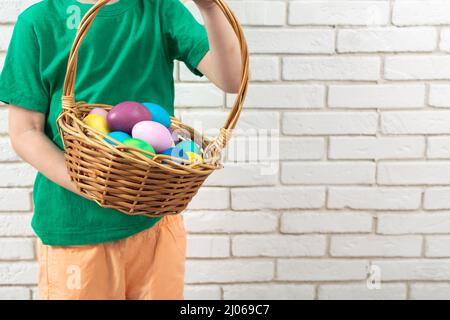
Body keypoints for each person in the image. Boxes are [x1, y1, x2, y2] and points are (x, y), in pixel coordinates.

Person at [0, 0, 241, 300]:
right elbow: (25, 132)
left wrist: (210, 9)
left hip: (154, 222)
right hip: (77, 229)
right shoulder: (38, 22)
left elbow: (232, 79)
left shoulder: (158, 8)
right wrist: (98, 183)